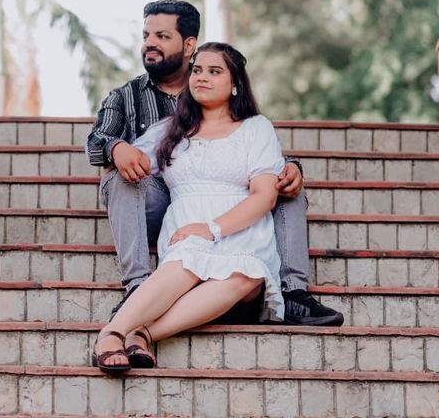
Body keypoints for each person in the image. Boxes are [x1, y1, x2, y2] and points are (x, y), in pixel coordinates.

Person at [87, 0, 343, 328]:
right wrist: (117, 147)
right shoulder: (127, 97)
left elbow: (246, 140)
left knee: (282, 184)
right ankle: (139, 288)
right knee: (118, 178)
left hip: (230, 198)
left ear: (189, 45)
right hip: (159, 195)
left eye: (162, 36)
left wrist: (288, 166)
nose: (150, 43)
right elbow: (97, 142)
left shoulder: (225, 96)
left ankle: (292, 291)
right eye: (146, 35)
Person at [93, 42, 296, 372]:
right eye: (197, 70)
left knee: (246, 273)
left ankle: (141, 332)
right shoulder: (169, 130)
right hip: (186, 232)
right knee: (188, 257)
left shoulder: (256, 128)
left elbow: (264, 196)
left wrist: (211, 229)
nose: (202, 77)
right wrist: (117, 148)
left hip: (240, 233)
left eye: (214, 72)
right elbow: (131, 162)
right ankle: (113, 334)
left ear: (235, 83)